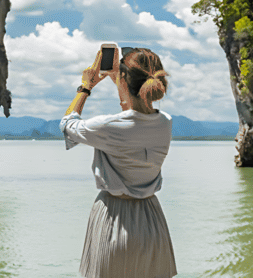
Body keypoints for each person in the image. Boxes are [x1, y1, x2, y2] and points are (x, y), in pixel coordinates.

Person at [60, 46, 177, 278]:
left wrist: (86, 86)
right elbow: (134, 112)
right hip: (152, 220)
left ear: (125, 79)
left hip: (114, 217)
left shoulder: (107, 127)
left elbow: (67, 125)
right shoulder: (165, 123)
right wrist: (121, 81)